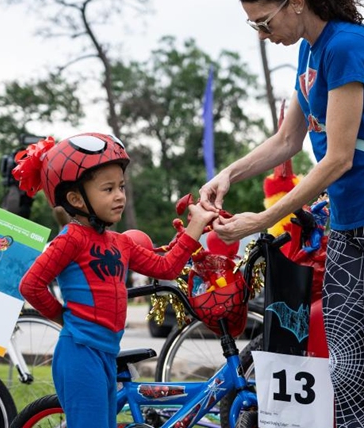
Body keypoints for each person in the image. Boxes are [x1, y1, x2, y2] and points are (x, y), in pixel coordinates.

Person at [199, 0, 364, 427]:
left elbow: (338, 157)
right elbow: (289, 139)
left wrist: (264, 219)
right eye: (254, 27)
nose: (264, 36)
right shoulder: (310, 51)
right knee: (343, 371)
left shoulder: (346, 46)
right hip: (350, 222)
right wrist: (230, 173)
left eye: (264, 23)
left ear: (298, 2)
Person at [13, 133, 216, 428]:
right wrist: (65, 319)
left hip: (107, 355)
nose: (120, 195)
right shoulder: (70, 239)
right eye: (108, 189)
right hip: (79, 355)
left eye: (121, 186)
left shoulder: (121, 243)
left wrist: (196, 226)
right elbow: (31, 285)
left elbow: (167, 267)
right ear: (75, 198)